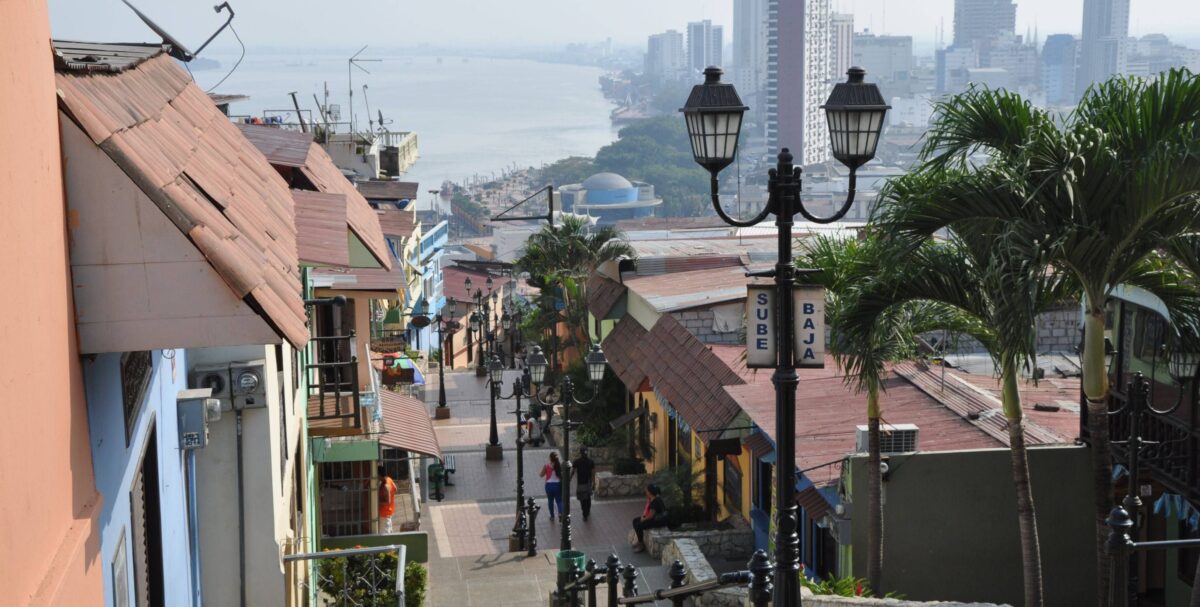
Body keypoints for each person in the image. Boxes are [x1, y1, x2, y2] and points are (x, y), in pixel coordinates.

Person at [631, 484, 668, 553]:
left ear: (650, 492)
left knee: (639, 525)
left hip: (658, 521)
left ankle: (641, 544)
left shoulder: (655, 501)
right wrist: (643, 517)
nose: (646, 492)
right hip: (655, 518)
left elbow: (651, 516)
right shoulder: (654, 498)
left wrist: (643, 519)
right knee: (635, 520)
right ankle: (639, 541)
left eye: (647, 491)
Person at [573, 447, 595, 522]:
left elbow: (573, 471)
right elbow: (593, 473)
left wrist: (569, 479)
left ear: (580, 453)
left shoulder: (577, 461)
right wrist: (593, 482)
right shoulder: (591, 461)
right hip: (588, 483)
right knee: (588, 498)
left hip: (580, 484)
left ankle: (584, 513)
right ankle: (587, 511)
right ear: (587, 452)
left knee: (582, 499)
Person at [540, 452, 563, 522]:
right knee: (559, 501)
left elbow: (541, 475)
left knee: (550, 501)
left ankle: (552, 516)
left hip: (549, 486)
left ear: (550, 458)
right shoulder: (559, 466)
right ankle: (560, 513)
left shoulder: (546, 466)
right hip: (557, 485)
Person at [378, 465, 398, 534]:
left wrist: (377, 502)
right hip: (389, 512)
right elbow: (395, 489)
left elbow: (387, 502)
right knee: (389, 532)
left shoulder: (385, 486)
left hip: (384, 514)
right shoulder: (389, 479)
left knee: (385, 534)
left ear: (379, 475)